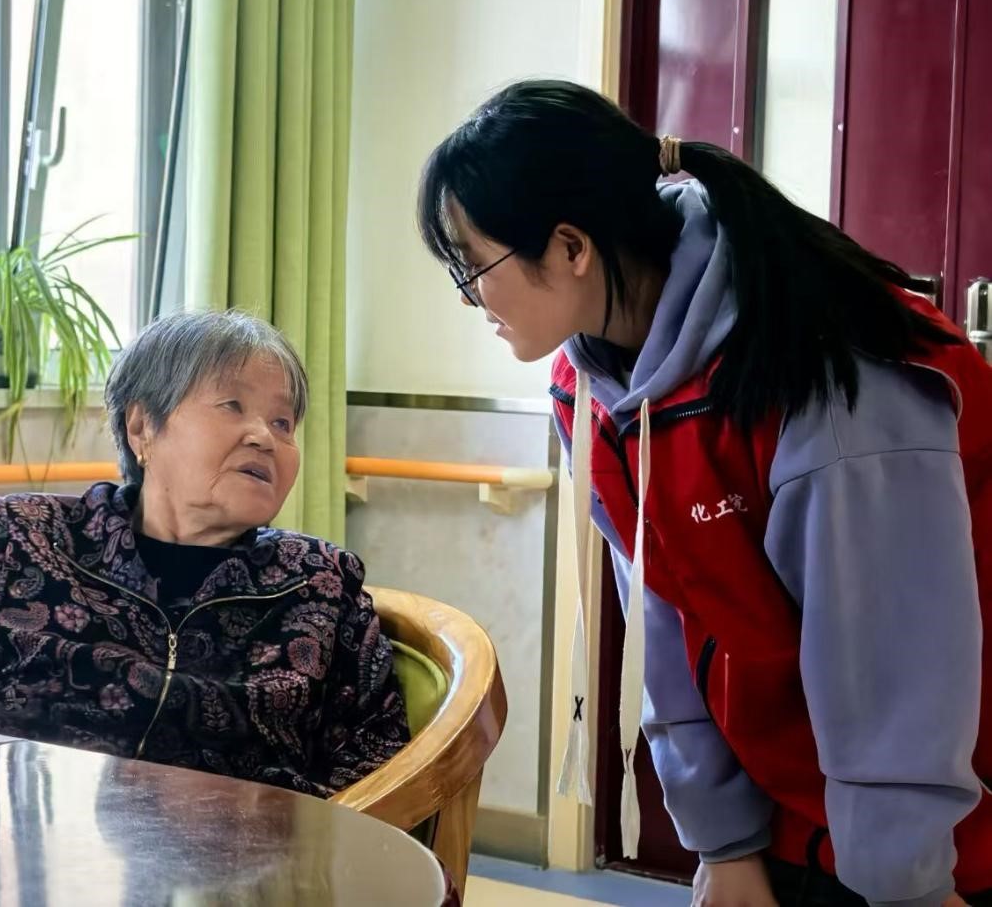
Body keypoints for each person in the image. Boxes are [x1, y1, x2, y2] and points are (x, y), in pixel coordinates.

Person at [417, 79, 992, 906]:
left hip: (943, 837)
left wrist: (908, 883)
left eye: (473, 267)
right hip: (788, 812)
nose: (470, 298)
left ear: (571, 247)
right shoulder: (590, 389)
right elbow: (661, 615)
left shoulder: (829, 370)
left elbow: (896, 663)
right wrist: (723, 842)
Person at [0, 310, 410, 799]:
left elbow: (378, 759)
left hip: (239, 861)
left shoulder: (318, 580)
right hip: (29, 841)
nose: (264, 437)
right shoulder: (23, 536)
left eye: (282, 422)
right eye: (233, 405)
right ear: (142, 426)